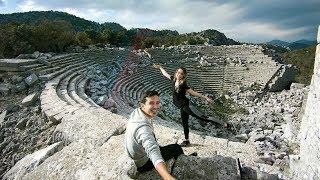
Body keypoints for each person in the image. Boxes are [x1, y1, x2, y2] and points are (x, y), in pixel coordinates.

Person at [153, 64, 229, 147]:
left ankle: (224, 124)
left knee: (203, 118)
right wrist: (160, 67)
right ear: (176, 73)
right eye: (178, 72)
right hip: (182, 107)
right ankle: (187, 140)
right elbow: (165, 74)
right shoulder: (174, 80)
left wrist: (205, 97)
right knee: (184, 123)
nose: (179, 74)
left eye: (181, 74)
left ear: (183, 75)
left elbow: (193, 93)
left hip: (187, 106)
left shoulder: (183, 85)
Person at [124, 90, 184, 179]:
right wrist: (167, 177)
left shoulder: (137, 112)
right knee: (176, 148)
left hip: (137, 153)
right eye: (151, 103)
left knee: (159, 146)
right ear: (142, 105)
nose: (156, 106)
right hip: (143, 162)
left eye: (157, 103)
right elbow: (153, 153)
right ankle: (183, 163)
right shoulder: (143, 129)